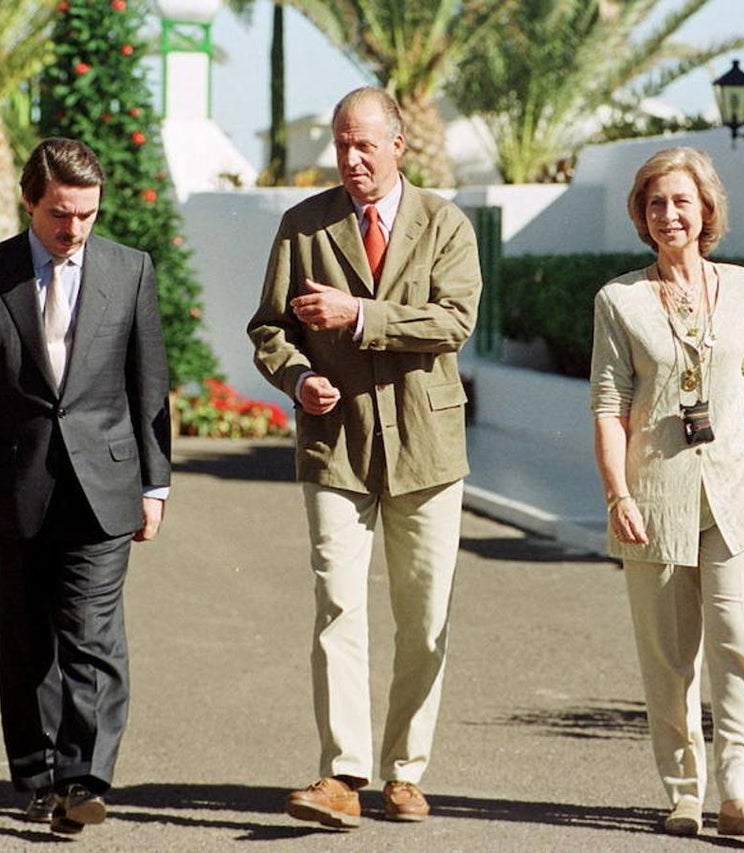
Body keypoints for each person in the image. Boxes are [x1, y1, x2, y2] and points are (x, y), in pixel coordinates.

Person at [247, 86, 481, 829]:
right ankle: (342, 773)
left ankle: (405, 772)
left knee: (424, 617)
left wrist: (359, 316)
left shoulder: (445, 222)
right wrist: (297, 375)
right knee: (338, 605)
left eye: (364, 145)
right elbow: (269, 329)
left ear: (398, 145)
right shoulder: (302, 226)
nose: (350, 158)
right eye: (342, 145)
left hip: (428, 448)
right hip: (336, 445)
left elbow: (454, 321)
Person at [0, 137, 171, 835]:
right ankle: (36, 775)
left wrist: (155, 483)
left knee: (94, 636)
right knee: (24, 639)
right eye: (61, 215)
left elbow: (148, 380)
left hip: (105, 484)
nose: (74, 230)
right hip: (13, 483)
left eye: (87, 215)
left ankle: (84, 778)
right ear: (29, 201)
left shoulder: (131, 271)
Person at [590, 147, 744, 839]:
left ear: (706, 209)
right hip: (655, 498)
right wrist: (618, 493)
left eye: (681, 201)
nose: (669, 214)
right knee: (669, 657)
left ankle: (742, 794)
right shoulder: (619, 299)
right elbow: (609, 403)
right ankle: (684, 789)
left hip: (737, 491)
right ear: (642, 216)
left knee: (739, 641)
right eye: (655, 203)